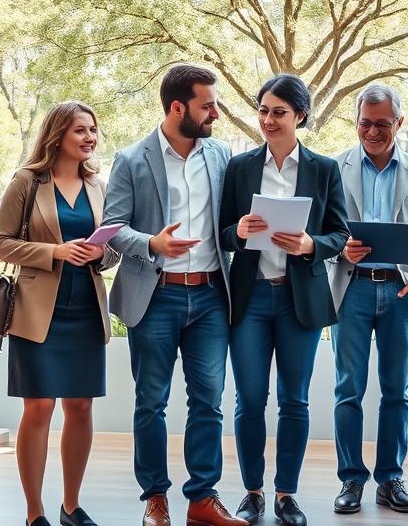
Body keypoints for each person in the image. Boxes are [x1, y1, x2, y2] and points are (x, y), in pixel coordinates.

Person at [103, 65, 244, 526]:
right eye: (207, 106)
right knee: (151, 402)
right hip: (155, 295)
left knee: (209, 400)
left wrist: (242, 232)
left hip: (209, 298)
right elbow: (112, 229)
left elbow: (229, 222)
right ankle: (155, 498)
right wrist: (151, 244)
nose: (216, 115)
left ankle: (202, 498)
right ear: (178, 107)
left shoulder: (221, 154)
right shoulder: (132, 159)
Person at [220, 74, 349, 526]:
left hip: (300, 302)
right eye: (263, 111)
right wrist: (236, 232)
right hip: (249, 299)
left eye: (278, 112)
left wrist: (312, 245)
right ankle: (252, 492)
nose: (268, 120)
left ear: (300, 117)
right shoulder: (238, 167)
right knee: (249, 400)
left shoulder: (324, 169)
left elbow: (340, 233)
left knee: (295, 401)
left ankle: (285, 494)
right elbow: (221, 234)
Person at [0, 101, 121, 526]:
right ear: (57, 134)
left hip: (85, 306)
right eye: (81, 130)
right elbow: (0, 243)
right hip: (37, 310)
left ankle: (70, 505)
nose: (90, 137)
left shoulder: (99, 186)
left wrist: (101, 252)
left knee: (80, 407)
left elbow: (112, 250)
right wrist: (54, 251)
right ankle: (34, 512)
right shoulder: (27, 182)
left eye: (93, 130)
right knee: (40, 407)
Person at [327, 83, 408, 516]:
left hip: (401, 290)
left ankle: (390, 479)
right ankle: (351, 480)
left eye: (382, 124)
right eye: (365, 123)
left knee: (397, 391)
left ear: (399, 123)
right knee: (348, 390)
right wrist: (341, 248)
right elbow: (324, 231)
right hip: (350, 287)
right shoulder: (334, 168)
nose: (372, 132)